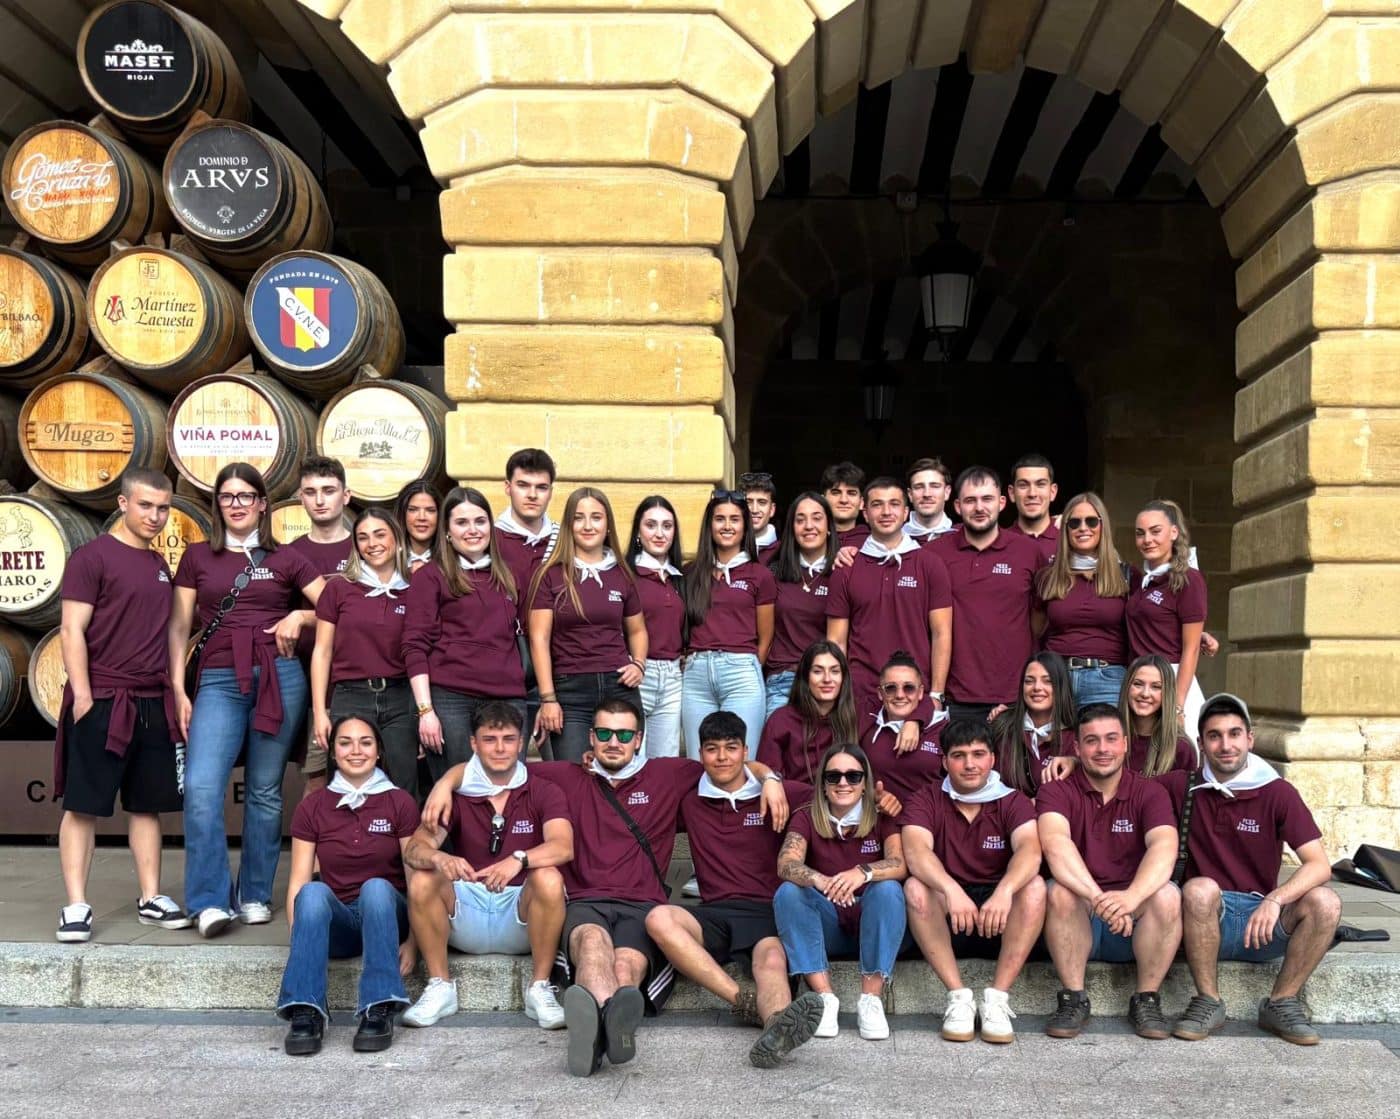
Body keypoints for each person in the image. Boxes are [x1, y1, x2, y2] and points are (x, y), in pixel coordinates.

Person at [424, 698, 786, 1077]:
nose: (615, 741)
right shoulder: (563, 775)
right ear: (591, 737)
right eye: (606, 733)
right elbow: (501, 762)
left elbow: (727, 763)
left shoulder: (670, 774)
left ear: (639, 739)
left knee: (625, 965)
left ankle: (598, 1031)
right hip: (585, 900)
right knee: (594, 947)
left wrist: (770, 779)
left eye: (625, 733)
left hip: (644, 905)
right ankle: (607, 1027)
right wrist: (446, 783)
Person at [168, 462, 324, 938]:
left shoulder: (288, 557)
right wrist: (178, 688)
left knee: (264, 789)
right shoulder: (197, 557)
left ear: (262, 503)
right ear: (218, 504)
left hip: (282, 676)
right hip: (218, 676)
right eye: (227, 496)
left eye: (245, 495)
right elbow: (179, 627)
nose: (236, 504)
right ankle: (210, 900)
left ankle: (255, 893)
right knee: (200, 786)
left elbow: (337, 607)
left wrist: (301, 615)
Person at [645, 712, 826, 1068]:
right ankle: (743, 1001)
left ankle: (776, 1025)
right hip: (715, 911)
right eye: (712, 749)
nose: (723, 757)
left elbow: (836, 797)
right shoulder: (688, 798)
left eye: (731, 748)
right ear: (700, 754)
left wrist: (771, 779)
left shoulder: (780, 794)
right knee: (658, 917)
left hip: (766, 910)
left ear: (746, 751)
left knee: (772, 960)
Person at [54, 468, 190, 943]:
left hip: (151, 699)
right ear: (122, 503)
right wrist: (86, 696)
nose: (156, 516)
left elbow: (169, 632)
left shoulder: (158, 563)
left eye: (163, 507)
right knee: (83, 805)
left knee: (147, 805)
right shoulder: (91, 558)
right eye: (146, 506)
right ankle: (76, 905)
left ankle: (150, 897)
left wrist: (174, 691)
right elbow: (72, 630)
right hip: (105, 697)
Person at [1162, 694, 1341, 1046]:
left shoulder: (1277, 792)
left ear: (1250, 739)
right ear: (1201, 743)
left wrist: (1276, 900)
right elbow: (1120, 783)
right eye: (1214, 736)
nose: (1225, 745)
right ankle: (1207, 1001)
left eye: (1234, 734)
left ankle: (1282, 1002)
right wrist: (1074, 763)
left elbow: (1319, 865)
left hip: (1262, 920)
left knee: (1326, 902)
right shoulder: (1182, 786)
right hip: (1203, 916)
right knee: (1199, 888)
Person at [400, 702, 572, 1030]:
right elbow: (414, 850)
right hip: (468, 909)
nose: (500, 748)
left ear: (522, 743)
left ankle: (540, 988)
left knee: (549, 877)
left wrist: (519, 859)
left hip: (519, 912)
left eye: (508, 739)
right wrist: (439, 857)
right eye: (489, 739)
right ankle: (440, 986)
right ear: (473, 744)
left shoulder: (543, 790)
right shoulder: (458, 793)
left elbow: (563, 846)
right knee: (423, 878)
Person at [1036, 703, 1181, 1040]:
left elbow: (1164, 846)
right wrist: (1100, 899)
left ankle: (1146, 999)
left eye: (1111, 739)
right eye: (1092, 741)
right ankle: (1074, 998)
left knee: (1169, 895)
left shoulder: (1149, 791)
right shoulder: (1056, 790)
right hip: (1080, 915)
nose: (1102, 749)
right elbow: (1056, 846)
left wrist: (1131, 898)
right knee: (1058, 891)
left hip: (1134, 920)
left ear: (1126, 744)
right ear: (1076, 747)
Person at [278, 716, 418, 1056]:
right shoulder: (313, 806)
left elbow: (416, 880)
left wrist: (415, 941)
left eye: (366, 742)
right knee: (310, 891)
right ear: (333, 751)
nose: (356, 750)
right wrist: (303, 945)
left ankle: (378, 1007)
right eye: (345, 742)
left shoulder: (399, 801)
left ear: (379, 752)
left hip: (387, 915)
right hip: (339, 921)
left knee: (375, 888)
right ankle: (307, 1010)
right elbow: (297, 879)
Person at [901, 718, 1045, 1043]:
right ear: (944, 761)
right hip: (949, 916)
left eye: (979, 754)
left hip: (1000, 916)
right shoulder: (926, 798)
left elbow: (1030, 851)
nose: (970, 764)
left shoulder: (1013, 800)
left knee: (1034, 886)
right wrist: (950, 888)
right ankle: (958, 998)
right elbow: (915, 852)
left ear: (992, 759)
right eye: (959, 755)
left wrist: (1005, 890)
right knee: (915, 886)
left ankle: (996, 999)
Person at [775, 742, 907, 1042]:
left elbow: (900, 864)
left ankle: (871, 999)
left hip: (873, 920)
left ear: (865, 783)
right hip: (829, 922)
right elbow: (786, 863)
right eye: (833, 777)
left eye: (853, 776)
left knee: (888, 889)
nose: (843, 783)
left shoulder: (880, 814)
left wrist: (862, 872)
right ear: (822, 784)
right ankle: (823, 998)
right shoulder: (807, 816)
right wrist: (823, 881)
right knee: (789, 892)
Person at [403, 486, 525, 779]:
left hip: (507, 698)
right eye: (461, 522)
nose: (473, 530)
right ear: (447, 531)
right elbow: (414, 646)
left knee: (507, 790)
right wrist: (425, 711)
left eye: (480, 521)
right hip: (451, 700)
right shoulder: (431, 576)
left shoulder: (508, 575)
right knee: (459, 791)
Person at [529, 487, 647, 763]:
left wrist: (639, 663)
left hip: (619, 686)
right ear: (569, 525)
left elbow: (638, 629)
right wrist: (548, 699)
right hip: (569, 691)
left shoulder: (622, 574)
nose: (588, 525)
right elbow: (538, 640)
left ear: (608, 525)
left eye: (596, 517)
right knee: (573, 775)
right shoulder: (551, 575)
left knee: (623, 774)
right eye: (579, 518)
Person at [310, 508, 419, 797]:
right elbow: (322, 652)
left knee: (403, 784)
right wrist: (321, 712)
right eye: (363, 537)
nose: (372, 543)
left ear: (396, 538)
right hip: (350, 695)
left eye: (380, 534)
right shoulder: (338, 589)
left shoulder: (416, 588)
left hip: (401, 698)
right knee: (345, 785)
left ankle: (405, 844)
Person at [826, 475, 952, 709]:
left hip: (915, 692)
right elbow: (836, 641)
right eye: (877, 504)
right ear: (865, 513)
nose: (886, 512)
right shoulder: (846, 569)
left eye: (894, 504)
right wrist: (839, 694)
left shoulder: (930, 564)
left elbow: (941, 633)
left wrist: (936, 694)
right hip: (860, 692)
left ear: (906, 512)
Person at [933, 466, 1041, 723]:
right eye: (970, 501)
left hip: (1014, 696)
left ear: (1002, 502)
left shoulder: (1029, 551)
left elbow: (1041, 618)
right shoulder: (935, 554)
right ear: (957, 506)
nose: (979, 508)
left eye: (987, 499)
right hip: (954, 696)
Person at [680, 491, 776, 758]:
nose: (727, 526)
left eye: (735, 519)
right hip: (697, 674)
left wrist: (749, 664)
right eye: (719, 519)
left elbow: (766, 635)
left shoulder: (760, 575)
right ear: (709, 525)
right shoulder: (690, 573)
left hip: (740, 672)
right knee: (698, 759)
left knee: (741, 758)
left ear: (745, 526)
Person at [288, 456, 354, 794]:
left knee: (363, 771)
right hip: (306, 680)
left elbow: (368, 613)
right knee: (315, 774)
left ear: (346, 495)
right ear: (300, 498)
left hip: (353, 676)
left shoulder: (365, 547)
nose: (319, 499)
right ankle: (311, 848)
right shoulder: (291, 552)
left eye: (328, 490)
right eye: (311, 491)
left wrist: (305, 616)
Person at [1034, 492, 1130, 708]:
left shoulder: (1125, 575)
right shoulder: (1048, 577)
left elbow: (1151, 618)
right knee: (1057, 742)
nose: (1083, 528)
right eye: (1074, 522)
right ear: (1065, 529)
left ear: (1102, 526)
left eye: (1091, 521)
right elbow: (1033, 633)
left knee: (1103, 742)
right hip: (1056, 679)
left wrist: (1198, 635)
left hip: (1109, 679)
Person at [1128, 499, 1208, 740]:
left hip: (1172, 681)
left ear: (1174, 532)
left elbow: (1191, 648)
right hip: (1141, 683)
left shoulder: (1189, 579)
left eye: (1155, 531)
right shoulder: (1142, 580)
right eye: (1140, 533)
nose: (1147, 540)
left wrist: (1177, 705)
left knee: (1179, 757)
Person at [764, 492, 838, 719]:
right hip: (781, 681)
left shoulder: (843, 572)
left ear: (828, 527)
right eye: (800, 519)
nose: (808, 526)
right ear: (791, 528)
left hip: (826, 683)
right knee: (774, 754)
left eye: (816, 518)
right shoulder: (773, 573)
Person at [628, 496, 686, 757]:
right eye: (651, 525)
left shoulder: (680, 578)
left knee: (665, 761)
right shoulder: (626, 574)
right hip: (639, 675)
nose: (660, 533)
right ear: (638, 532)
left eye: (667, 526)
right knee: (632, 760)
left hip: (673, 677)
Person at [757, 640, 857, 787]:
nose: (827, 679)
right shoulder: (781, 720)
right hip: (796, 805)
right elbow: (771, 782)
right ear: (805, 677)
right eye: (817, 671)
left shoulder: (856, 716)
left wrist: (905, 722)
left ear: (844, 678)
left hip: (845, 804)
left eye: (835, 671)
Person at [858, 651, 946, 806]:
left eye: (909, 688)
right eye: (890, 688)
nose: (899, 695)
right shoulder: (866, 719)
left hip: (929, 822)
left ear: (920, 693)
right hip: (878, 821)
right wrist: (871, 793)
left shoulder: (942, 728)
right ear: (880, 693)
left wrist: (914, 721)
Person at [990, 653, 1078, 798]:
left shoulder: (1076, 735)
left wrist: (1076, 762)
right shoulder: (1002, 726)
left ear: (1061, 686)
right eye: (1029, 681)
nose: (1037, 687)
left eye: (1048, 681)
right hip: (1006, 817)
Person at [494, 447, 559, 591]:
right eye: (523, 485)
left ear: (550, 493)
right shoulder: (489, 541)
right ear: (508, 487)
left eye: (542, 487)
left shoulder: (564, 541)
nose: (532, 495)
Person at [1005, 453, 1058, 565]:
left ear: (1052, 492)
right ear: (1012, 493)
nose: (1032, 493)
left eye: (1040, 484)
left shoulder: (1071, 538)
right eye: (1023, 485)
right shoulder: (999, 542)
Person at [903, 457, 957, 543]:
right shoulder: (895, 540)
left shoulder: (963, 537)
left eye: (935, 486)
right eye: (919, 487)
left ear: (947, 492)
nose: (927, 494)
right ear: (910, 494)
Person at [820, 461, 869, 549]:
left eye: (851, 493)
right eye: (836, 493)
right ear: (823, 501)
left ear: (862, 503)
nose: (844, 500)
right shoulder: (809, 541)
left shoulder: (874, 544)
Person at [396, 481, 440, 573]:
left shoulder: (453, 562)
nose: (422, 517)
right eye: (413, 510)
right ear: (402, 514)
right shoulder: (388, 560)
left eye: (430, 510)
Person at [740, 471, 781, 567]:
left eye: (762, 502)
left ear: (772, 509)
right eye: (748, 502)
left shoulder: (784, 552)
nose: (754, 510)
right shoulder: (728, 548)